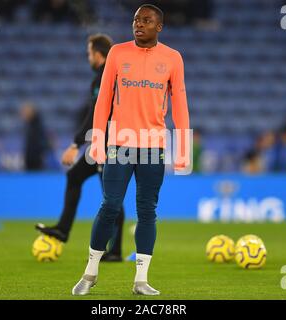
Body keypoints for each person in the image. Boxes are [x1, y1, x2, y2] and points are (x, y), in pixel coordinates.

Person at [72, 4, 190, 296]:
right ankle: (90, 272)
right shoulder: (117, 53)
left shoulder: (173, 58)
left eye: (146, 21)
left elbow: (181, 105)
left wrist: (183, 149)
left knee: (147, 211)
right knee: (110, 206)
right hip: (119, 144)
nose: (139, 25)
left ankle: (141, 280)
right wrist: (97, 140)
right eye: (136, 20)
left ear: (159, 27)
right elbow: (103, 102)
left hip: (153, 146)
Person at [35, 34, 125, 262]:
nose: (88, 58)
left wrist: (76, 144)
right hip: (103, 143)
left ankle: (113, 250)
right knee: (76, 177)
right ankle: (64, 229)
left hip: (111, 144)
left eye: (89, 53)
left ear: (97, 54)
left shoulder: (105, 77)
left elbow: (96, 115)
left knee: (110, 196)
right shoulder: (109, 75)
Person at [20, 102, 50, 171]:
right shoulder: (30, 125)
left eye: (25, 112)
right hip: (31, 157)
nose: (23, 115)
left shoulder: (37, 126)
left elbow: (41, 142)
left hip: (35, 158)